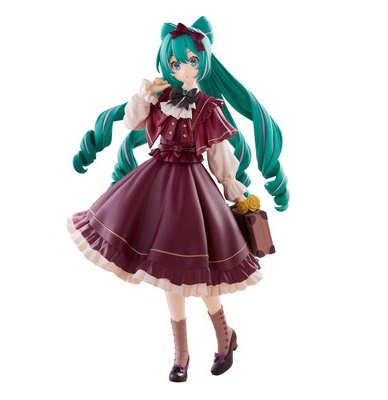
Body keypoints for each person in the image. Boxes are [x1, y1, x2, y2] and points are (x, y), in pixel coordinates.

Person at [68, 16, 289, 382]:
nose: (183, 68)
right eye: (175, 62)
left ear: (203, 63)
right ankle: (181, 353)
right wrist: (146, 96)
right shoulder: (161, 98)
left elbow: (219, 157)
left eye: (191, 61)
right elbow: (131, 122)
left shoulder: (208, 107)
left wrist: (235, 190)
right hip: (156, 188)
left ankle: (224, 336)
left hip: (193, 194)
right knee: (165, 274)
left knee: (201, 275)